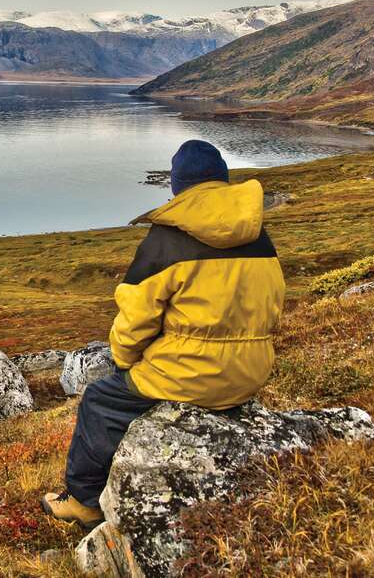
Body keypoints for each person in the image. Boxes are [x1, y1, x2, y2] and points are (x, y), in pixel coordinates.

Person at [41, 139, 286, 529]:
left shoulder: (166, 239)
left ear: (177, 186)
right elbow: (274, 304)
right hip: (251, 374)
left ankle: (84, 501)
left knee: (100, 401)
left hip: (192, 375)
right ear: (222, 180)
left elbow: (135, 320)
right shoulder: (260, 237)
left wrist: (123, 362)